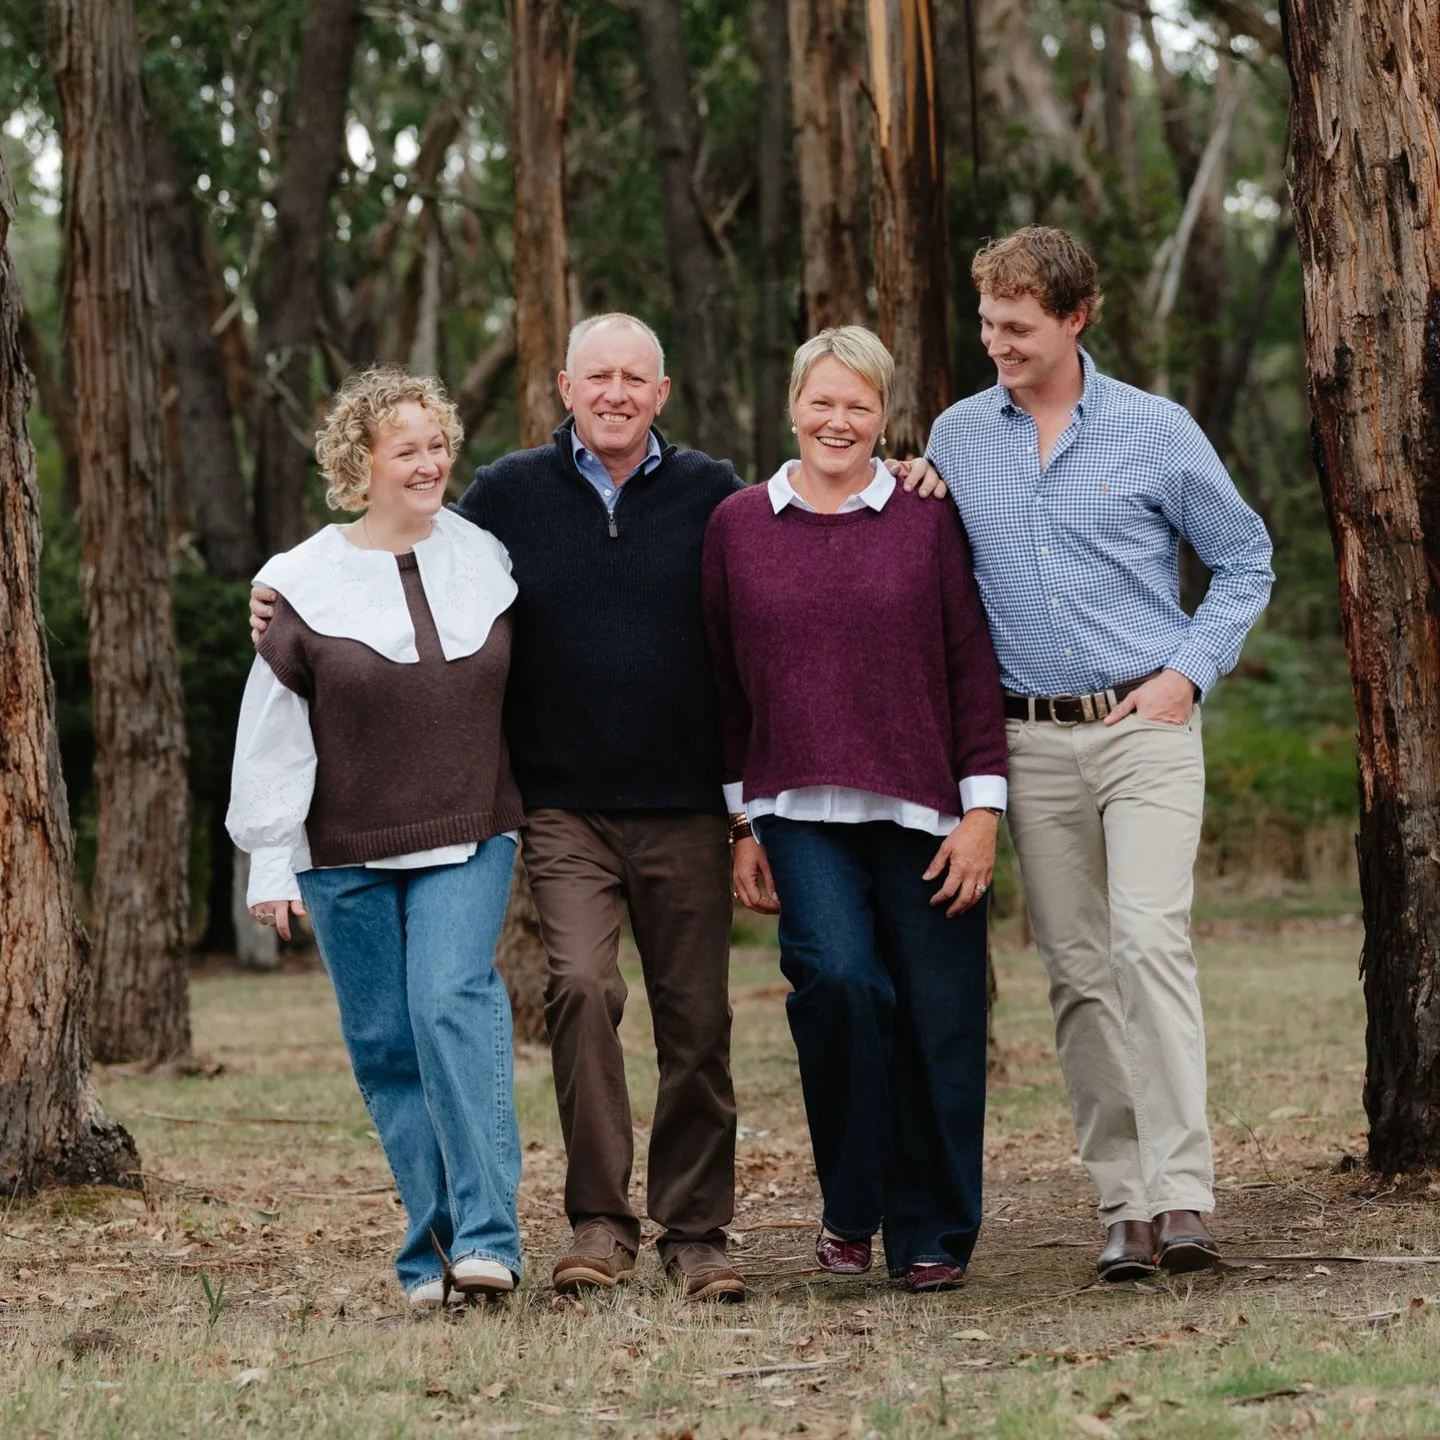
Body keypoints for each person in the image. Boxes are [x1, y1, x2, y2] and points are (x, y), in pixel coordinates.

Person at [250, 315, 952, 1302]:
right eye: (598, 377)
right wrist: (280, 588)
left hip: (687, 804)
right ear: (565, 389)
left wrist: (913, 471)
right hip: (562, 806)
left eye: (636, 378)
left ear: (661, 395)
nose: (616, 393)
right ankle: (599, 1221)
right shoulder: (504, 498)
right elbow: (391, 541)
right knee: (579, 990)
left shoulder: (717, 496)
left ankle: (699, 1229)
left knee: (696, 1017)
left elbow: (809, 518)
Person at [924, 227, 1275, 1282]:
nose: (997, 342)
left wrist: (1189, 673)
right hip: (1027, 741)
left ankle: (1183, 1197)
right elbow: (923, 553)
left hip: (1147, 727)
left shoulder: (1156, 431)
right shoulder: (958, 435)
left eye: (1018, 326)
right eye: (987, 322)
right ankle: (1121, 1202)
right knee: (1077, 971)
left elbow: (1246, 557)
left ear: (1076, 320)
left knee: (1147, 941)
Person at [703, 327, 1008, 1293]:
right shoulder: (739, 524)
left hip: (926, 810)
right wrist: (740, 822)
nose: (840, 421)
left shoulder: (924, 517)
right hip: (794, 808)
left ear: (885, 415)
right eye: (823, 402)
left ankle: (931, 1233)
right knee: (838, 985)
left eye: (860, 405)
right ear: (793, 405)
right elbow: (723, 686)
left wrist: (983, 812)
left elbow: (969, 666)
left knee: (938, 1017)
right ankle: (851, 1203)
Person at [228, 367, 524, 1309]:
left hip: (472, 828)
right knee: (386, 1046)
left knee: (449, 1003)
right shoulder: (297, 583)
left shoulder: (485, 556)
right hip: (342, 851)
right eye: (409, 449)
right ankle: (428, 1251)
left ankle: (489, 1238)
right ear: (361, 465)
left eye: (438, 444)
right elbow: (272, 729)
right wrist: (270, 859)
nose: (432, 463)